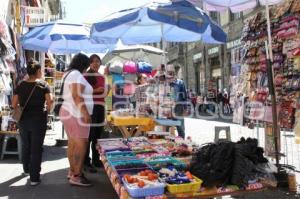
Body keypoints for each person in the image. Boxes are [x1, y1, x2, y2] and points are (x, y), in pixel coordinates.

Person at [12, 61, 53, 186]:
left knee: (26, 144)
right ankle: (34, 178)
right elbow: (50, 101)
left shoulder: (20, 85)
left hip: (23, 120)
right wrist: (48, 110)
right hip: (38, 120)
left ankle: (26, 169)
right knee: (36, 148)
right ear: (38, 72)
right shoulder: (44, 85)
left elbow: (14, 104)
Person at [59, 53, 93, 187]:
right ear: (83, 64)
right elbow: (76, 96)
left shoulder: (69, 73)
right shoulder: (76, 75)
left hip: (69, 112)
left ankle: (72, 171)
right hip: (76, 114)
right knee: (81, 144)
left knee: (73, 143)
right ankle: (77, 175)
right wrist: (85, 113)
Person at [84, 54, 109, 172]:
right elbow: (81, 93)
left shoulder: (102, 77)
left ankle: (96, 159)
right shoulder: (85, 76)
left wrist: (106, 91)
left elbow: (104, 94)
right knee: (89, 135)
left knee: (98, 136)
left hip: (100, 107)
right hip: (90, 107)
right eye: (93, 61)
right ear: (89, 63)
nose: (95, 63)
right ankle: (86, 161)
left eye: (98, 61)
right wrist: (95, 90)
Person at [166, 64, 187, 138]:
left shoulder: (180, 82)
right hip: (167, 109)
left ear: (174, 72)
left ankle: (182, 145)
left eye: (172, 71)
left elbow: (184, 96)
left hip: (178, 109)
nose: (170, 73)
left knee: (181, 129)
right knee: (165, 130)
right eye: (168, 72)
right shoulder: (165, 83)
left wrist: (185, 109)